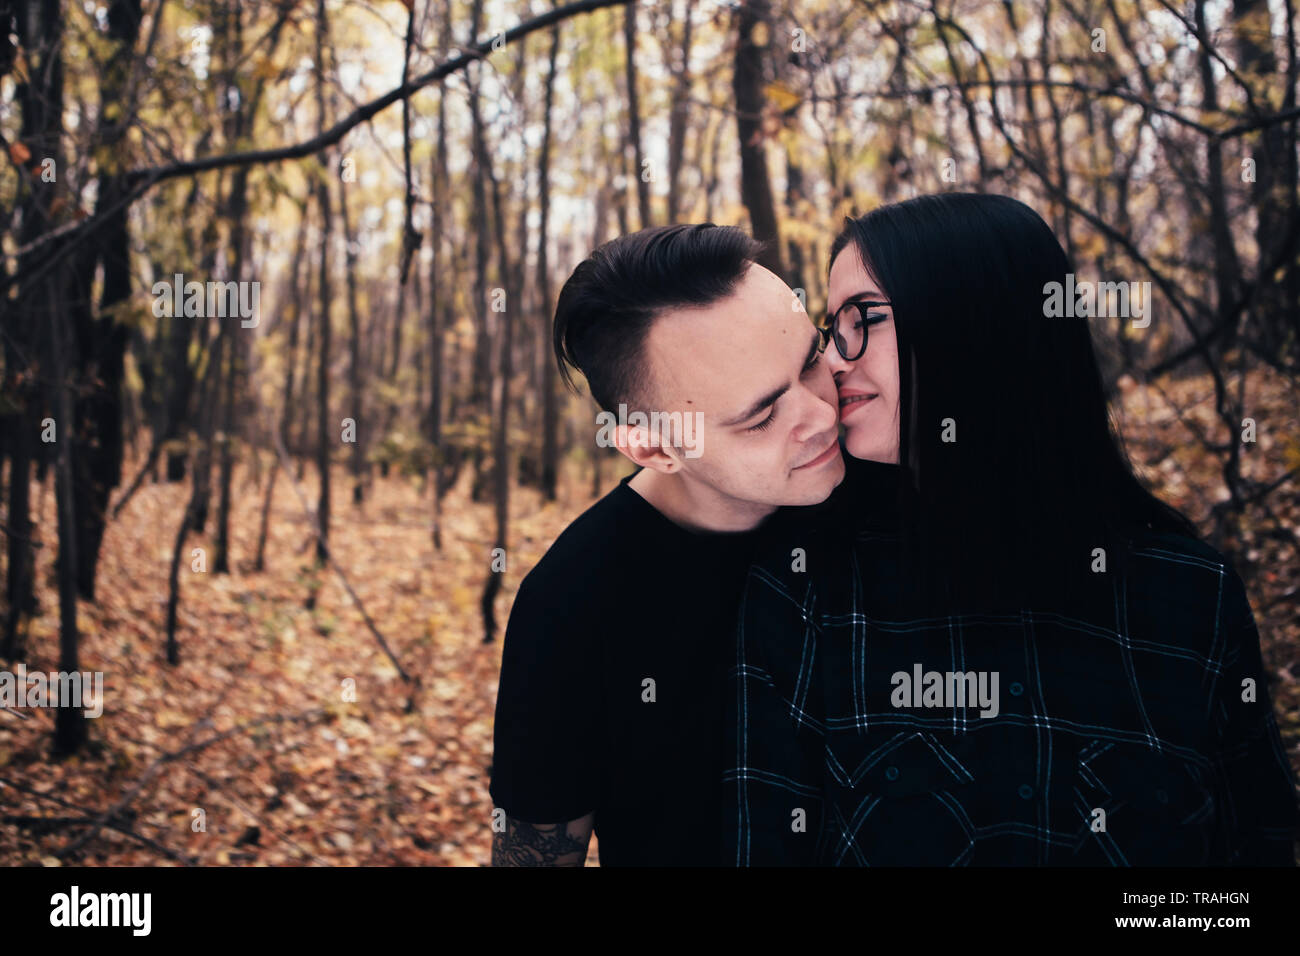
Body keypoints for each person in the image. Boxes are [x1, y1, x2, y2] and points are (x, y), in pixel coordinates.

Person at [725, 192, 1299, 865]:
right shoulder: (807, 593)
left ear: (975, 318)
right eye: (832, 328)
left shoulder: (1191, 598)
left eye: (864, 321)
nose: (836, 359)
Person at [489, 223, 846, 865]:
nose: (823, 415)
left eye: (814, 359)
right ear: (652, 446)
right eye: (761, 416)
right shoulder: (570, 603)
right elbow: (536, 853)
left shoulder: (884, 499)